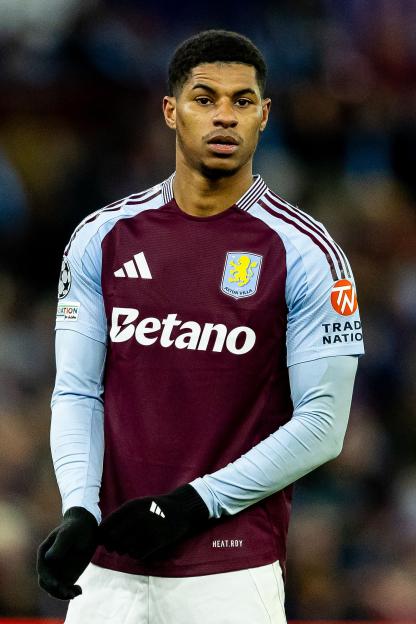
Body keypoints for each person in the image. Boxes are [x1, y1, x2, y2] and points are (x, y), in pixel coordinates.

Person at [37, 29, 364, 624]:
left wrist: (193, 505)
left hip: (231, 574)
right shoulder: (101, 236)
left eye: (242, 102)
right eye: (204, 98)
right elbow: (78, 390)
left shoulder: (307, 252)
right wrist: (79, 510)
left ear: (264, 116)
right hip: (111, 566)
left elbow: (324, 426)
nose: (224, 117)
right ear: (171, 111)